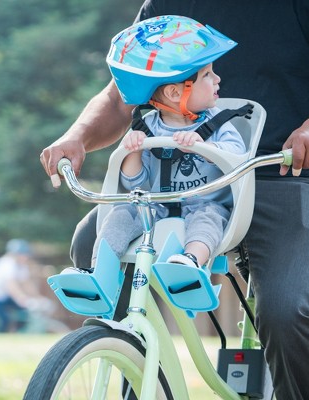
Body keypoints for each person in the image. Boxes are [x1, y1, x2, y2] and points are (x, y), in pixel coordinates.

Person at [40, 2, 309, 399]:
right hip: (175, 179)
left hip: (290, 172)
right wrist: (76, 137)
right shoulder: (164, 4)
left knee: (286, 311)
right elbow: (122, 96)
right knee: (91, 244)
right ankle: (135, 363)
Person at [63, 16, 245, 273]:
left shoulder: (218, 123)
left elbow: (238, 159)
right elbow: (136, 184)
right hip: (155, 205)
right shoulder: (148, 126)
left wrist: (204, 146)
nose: (217, 79)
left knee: (209, 220)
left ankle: (190, 263)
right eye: (207, 74)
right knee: (122, 214)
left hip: (204, 204)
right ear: (174, 93)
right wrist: (132, 152)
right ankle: (98, 272)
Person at [0, 239, 46, 333]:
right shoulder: (6, 263)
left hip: (3, 297)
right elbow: (11, 285)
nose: (25, 257)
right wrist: (22, 297)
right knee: (4, 319)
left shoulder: (21, 265)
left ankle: (18, 333)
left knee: (25, 313)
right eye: (23, 254)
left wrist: (38, 297)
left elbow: (27, 283)